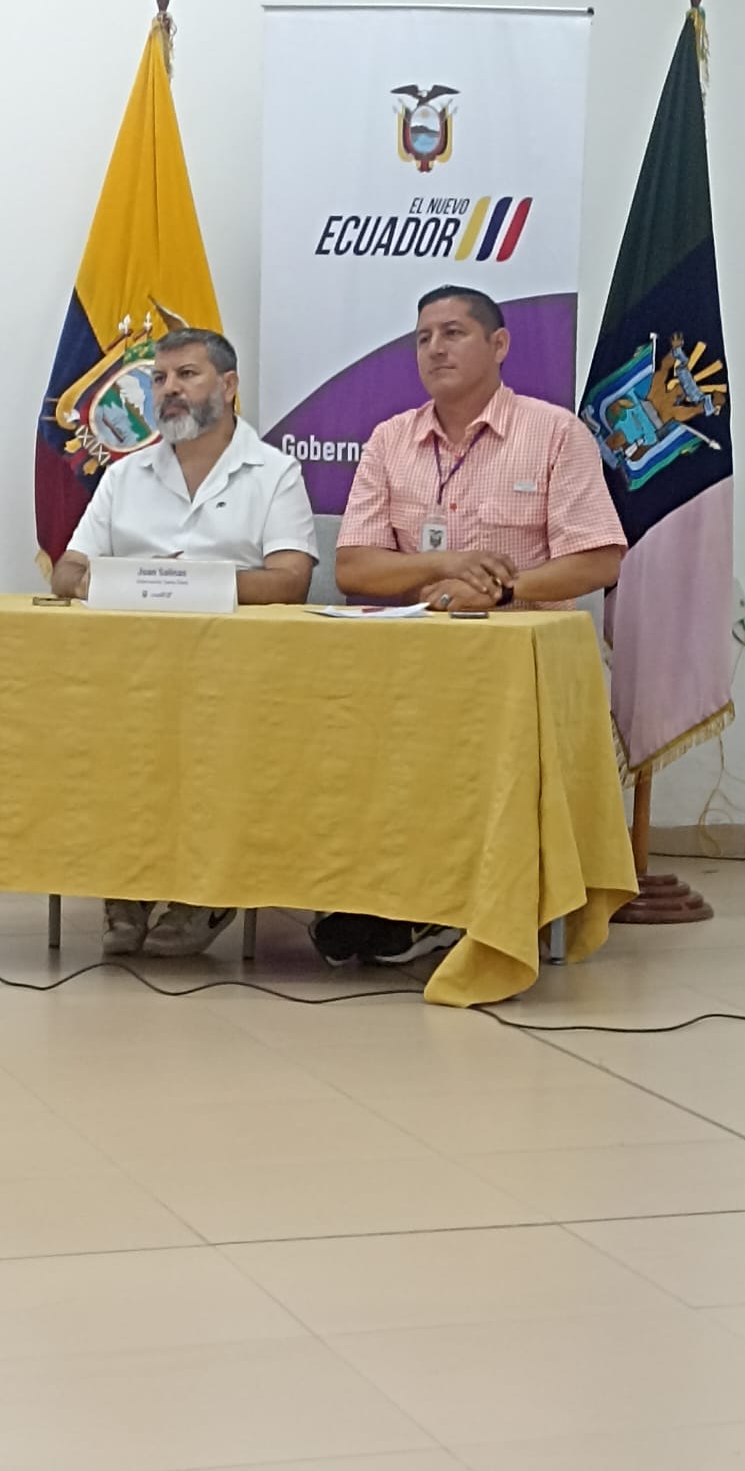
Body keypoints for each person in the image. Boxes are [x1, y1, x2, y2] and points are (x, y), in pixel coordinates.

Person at [313, 284, 626, 967]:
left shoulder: (554, 434)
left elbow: (599, 558)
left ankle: (467, 901)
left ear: (498, 344)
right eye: (423, 337)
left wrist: (500, 589)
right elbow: (355, 565)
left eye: (453, 333)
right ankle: (376, 890)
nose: (435, 349)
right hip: (408, 660)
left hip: (521, 662)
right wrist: (445, 565)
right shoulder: (390, 440)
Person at [51, 327, 318, 958]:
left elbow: (291, 580)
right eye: (159, 379)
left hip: (236, 674)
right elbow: (66, 573)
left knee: (219, 750)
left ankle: (208, 893)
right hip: (131, 672)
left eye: (187, 375)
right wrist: (134, 584)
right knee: (108, 744)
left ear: (228, 386)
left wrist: (187, 584)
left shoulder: (273, 472)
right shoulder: (125, 474)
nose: (169, 389)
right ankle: (126, 883)